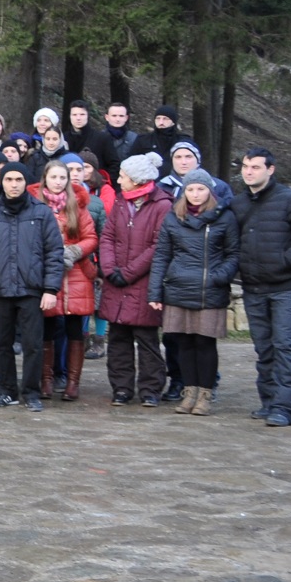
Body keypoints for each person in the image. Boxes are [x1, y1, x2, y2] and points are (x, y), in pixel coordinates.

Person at [229, 147, 291, 427]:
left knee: (284, 345)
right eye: (245, 166)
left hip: (287, 288)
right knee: (264, 347)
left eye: (255, 167)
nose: (249, 172)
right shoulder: (238, 204)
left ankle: (285, 406)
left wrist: (284, 262)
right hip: (254, 288)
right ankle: (269, 401)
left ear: (270, 170)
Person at [0, 164, 65, 412]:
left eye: (19, 179)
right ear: (2, 182)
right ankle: (7, 391)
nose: (14, 184)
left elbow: (54, 253)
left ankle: (32, 393)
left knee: (32, 345)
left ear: (26, 182)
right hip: (0, 289)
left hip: (31, 289)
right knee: (2, 344)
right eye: (9, 179)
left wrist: (50, 289)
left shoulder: (41, 213)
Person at [150, 170, 243, 417]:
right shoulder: (173, 217)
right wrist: (155, 292)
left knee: (204, 343)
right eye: (190, 189)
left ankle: (205, 394)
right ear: (184, 192)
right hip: (178, 287)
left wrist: (219, 276)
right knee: (184, 343)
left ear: (210, 191)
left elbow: (233, 253)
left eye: (201, 189)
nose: (195, 194)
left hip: (208, 289)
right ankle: (189, 392)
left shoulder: (224, 217)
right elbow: (162, 256)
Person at [99, 152, 172, 406]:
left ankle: (151, 389)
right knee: (118, 339)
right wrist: (110, 269)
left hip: (144, 283)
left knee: (147, 339)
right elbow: (107, 236)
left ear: (138, 180)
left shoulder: (162, 205)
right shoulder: (121, 202)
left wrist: (128, 272)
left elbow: (158, 246)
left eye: (123, 176)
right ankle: (121, 388)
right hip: (116, 281)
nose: (119, 180)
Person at [37, 159, 99, 401]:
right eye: (53, 177)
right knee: (47, 328)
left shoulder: (79, 207)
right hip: (45, 274)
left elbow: (91, 237)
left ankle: (73, 383)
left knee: (75, 330)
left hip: (76, 273)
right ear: (45, 179)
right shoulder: (36, 205)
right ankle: (46, 380)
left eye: (62, 178)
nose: (58, 182)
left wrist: (74, 251)